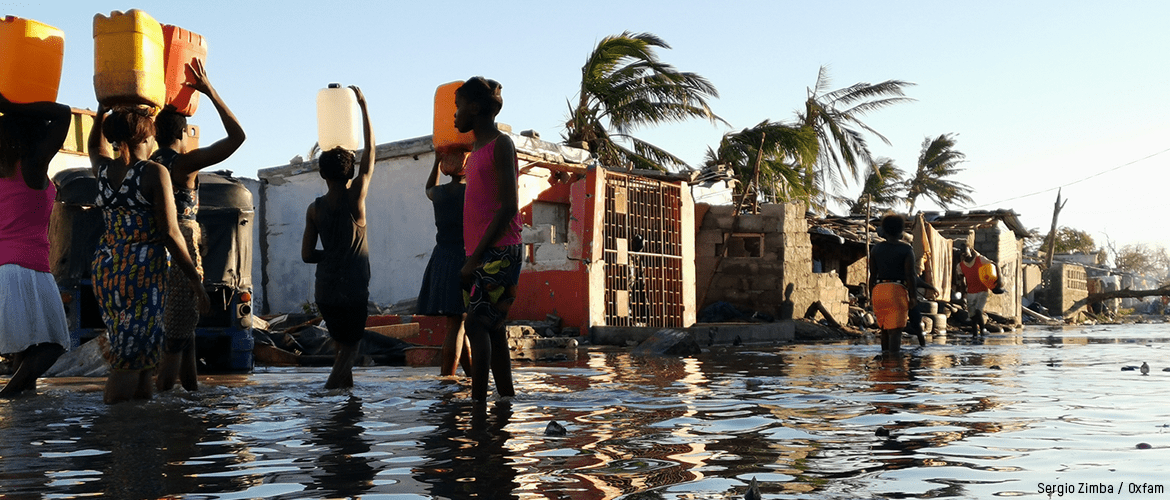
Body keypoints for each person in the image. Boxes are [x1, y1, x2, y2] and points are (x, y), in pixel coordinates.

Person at [88, 104, 209, 404]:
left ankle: (139, 435)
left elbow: (94, 145)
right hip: (142, 275)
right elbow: (170, 233)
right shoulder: (154, 172)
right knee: (129, 361)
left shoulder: (103, 169)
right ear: (145, 137)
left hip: (107, 270)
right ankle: (115, 432)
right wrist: (196, 283)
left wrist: (102, 110)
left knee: (138, 355)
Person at [153, 59, 246, 392]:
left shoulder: (148, 166)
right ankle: (164, 414)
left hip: (154, 253)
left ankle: (190, 399)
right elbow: (238, 137)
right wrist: (210, 92)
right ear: (182, 133)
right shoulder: (183, 164)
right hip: (182, 250)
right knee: (175, 343)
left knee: (184, 334)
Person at [454, 77, 522, 402]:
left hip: (499, 251)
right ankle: (505, 400)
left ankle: (478, 406)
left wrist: (474, 258)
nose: (454, 115)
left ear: (475, 108)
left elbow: (509, 206)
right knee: (492, 328)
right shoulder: (474, 151)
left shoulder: (501, 144)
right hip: (482, 253)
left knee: (476, 326)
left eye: (458, 107)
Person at [301, 85, 373, 390]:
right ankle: (327, 396)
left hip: (326, 291)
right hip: (352, 289)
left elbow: (307, 255)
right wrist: (363, 107)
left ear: (322, 173)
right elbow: (371, 154)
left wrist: (330, 254)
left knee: (342, 347)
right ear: (350, 172)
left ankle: (346, 406)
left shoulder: (314, 209)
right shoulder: (356, 197)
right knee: (352, 348)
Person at [0, 92, 72, 397]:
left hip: (4, 267)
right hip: (27, 267)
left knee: (25, 349)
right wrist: (12, 105)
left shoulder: (4, 172)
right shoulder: (32, 167)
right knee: (54, 344)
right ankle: (7, 396)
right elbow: (64, 113)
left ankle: (21, 421)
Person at [417, 151, 473, 377]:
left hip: (442, 258)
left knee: (458, 323)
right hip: (464, 259)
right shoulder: (469, 193)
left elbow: (428, 188)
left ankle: (470, 376)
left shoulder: (438, 194)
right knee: (457, 323)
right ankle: (447, 378)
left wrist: (435, 162)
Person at [868, 214, 916, 353]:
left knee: (884, 330)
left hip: (879, 291)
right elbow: (910, 275)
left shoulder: (876, 249)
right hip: (896, 292)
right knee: (895, 333)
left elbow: (872, 275)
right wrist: (913, 297)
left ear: (885, 230)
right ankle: (894, 369)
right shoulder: (906, 249)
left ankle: (884, 369)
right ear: (901, 230)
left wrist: (871, 295)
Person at [958, 246, 1003, 334]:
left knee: (978, 310)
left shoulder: (980, 259)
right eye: (962, 254)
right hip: (970, 292)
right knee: (972, 315)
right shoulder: (960, 266)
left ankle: (982, 329)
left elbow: (995, 264)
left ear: (970, 251)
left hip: (982, 290)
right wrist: (963, 295)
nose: (964, 255)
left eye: (966, 252)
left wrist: (999, 280)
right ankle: (976, 333)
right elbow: (962, 281)